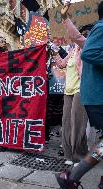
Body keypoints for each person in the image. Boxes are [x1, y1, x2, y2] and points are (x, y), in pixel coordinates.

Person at [56, 2, 103, 189]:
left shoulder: (93, 36)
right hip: (95, 95)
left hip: (89, 93)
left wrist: (65, 18)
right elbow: (88, 52)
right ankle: (72, 175)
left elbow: (78, 38)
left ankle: (73, 176)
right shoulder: (100, 30)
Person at [51, 2, 94, 164]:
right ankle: (70, 155)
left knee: (78, 125)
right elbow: (62, 64)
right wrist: (54, 52)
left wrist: (64, 17)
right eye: (84, 32)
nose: (84, 34)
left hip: (81, 89)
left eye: (86, 33)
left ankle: (80, 156)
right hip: (68, 90)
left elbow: (76, 36)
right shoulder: (72, 51)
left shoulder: (86, 47)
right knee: (67, 123)